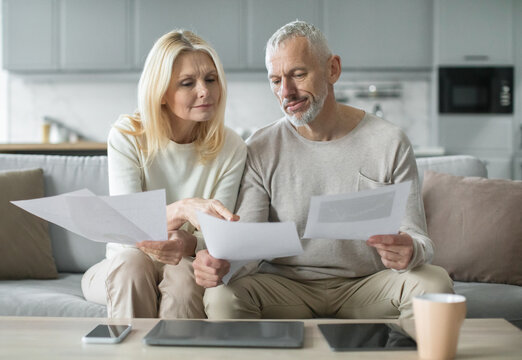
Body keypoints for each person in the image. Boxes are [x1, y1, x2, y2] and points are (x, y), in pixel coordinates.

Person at [193, 20, 453, 319]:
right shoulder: (261, 147)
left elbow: (419, 238)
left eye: (298, 74)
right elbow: (247, 247)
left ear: (333, 69)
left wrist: (410, 249)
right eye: (275, 80)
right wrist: (222, 263)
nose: (286, 92)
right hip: (286, 286)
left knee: (435, 284)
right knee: (222, 296)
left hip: (368, 284)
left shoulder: (389, 141)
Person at [81, 30, 247, 318]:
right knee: (132, 264)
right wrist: (183, 209)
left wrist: (188, 243)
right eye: (187, 83)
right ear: (160, 94)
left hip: (185, 260)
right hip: (125, 262)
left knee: (183, 277)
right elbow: (127, 226)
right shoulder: (127, 135)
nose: (204, 90)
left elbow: (219, 235)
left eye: (210, 79)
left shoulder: (231, 146)